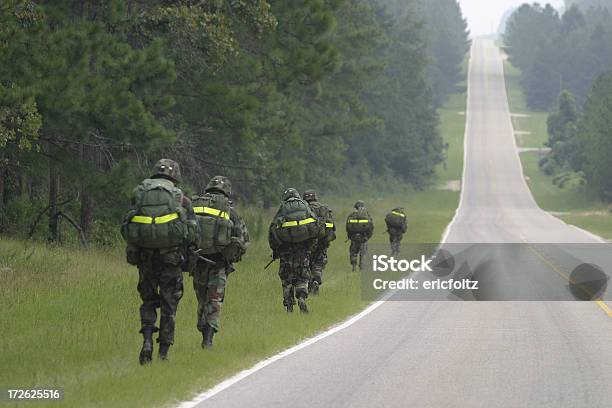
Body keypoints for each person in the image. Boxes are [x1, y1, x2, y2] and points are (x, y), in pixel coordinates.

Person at [121, 159, 198, 365]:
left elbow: (130, 223)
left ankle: (147, 340)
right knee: (168, 305)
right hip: (171, 259)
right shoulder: (182, 199)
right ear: (175, 177)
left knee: (148, 301)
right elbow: (192, 232)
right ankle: (163, 352)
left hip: (146, 257)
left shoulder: (141, 193)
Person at [191, 176, 249, 348]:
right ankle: (208, 337)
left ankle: (203, 326)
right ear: (227, 191)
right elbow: (243, 239)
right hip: (219, 262)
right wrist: (234, 253)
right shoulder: (228, 209)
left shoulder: (195, 205)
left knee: (202, 299)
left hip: (198, 261)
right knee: (215, 299)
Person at [269, 188, 323, 313]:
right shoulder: (304, 206)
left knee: (286, 278)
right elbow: (316, 227)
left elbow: (273, 229)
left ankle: (289, 304)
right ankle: (302, 298)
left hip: (286, 251)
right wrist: (310, 247)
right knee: (303, 276)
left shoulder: (283, 208)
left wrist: (276, 250)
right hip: (303, 250)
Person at [302, 190, 336, 295]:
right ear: (315, 197)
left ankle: (307, 284)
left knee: (306, 263)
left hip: (306, 243)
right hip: (322, 242)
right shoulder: (323, 209)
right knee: (319, 262)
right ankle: (316, 278)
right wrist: (327, 239)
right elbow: (332, 226)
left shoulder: (303, 209)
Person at [346, 200, 374, 271]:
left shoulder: (351, 215)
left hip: (354, 238)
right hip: (364, 237)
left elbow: (348, 227)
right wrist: (368, 236)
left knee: (353, 252)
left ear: (355, 207)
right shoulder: (367, 215)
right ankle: (362, 267)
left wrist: (350, 236)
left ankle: (354, 266)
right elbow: (371, 227)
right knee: (363, 253)